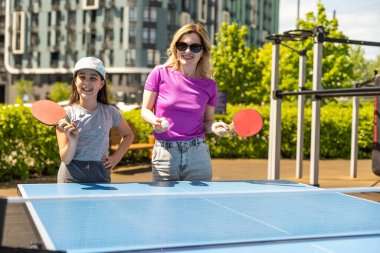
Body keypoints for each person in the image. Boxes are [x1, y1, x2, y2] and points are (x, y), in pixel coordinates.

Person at [141, 23, 229, 181]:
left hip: (198, 155)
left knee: (199, 205)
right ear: (176, 48)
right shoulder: (159, 73)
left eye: (194, 47)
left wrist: (214, 127)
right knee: (165, 205)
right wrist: (155, 121)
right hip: (165, 154)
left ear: (203, 52)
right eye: (182, 45)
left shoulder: (210, 85)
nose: (187, 51)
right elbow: (145, 110)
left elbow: (207, 122)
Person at [56, 56, 134, 183]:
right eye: (82, 77)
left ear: (101, 83)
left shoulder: (111, 112)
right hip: (70, 177)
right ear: (75, 81)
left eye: (93, 78)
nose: (87, 82)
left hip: (100, 175)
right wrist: (72, 141)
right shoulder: (66, 114)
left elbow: (128, 135)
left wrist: (116, 158)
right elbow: (66, 159)